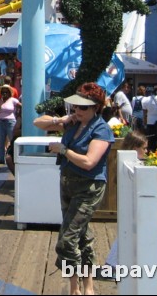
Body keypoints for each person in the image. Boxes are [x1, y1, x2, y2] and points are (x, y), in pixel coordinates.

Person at [33, 82, 115, 296]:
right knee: (82, 237)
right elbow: (37, 122)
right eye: (76, 107)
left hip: (88, 186)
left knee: (67, 239)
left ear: (96, 107)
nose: (78, 111)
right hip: (68, 183)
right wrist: (60, 119)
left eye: (83, 107)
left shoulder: (101, 129)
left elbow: (89, 162)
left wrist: (63, 150)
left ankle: (77, 287)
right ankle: (80, 288)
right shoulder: (73, 123)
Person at [0, 84, 20, 165]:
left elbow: (21, 106)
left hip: (10, 122)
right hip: (1, 122)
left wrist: (19, 115)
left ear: (9, 93)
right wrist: (0, 103)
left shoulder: (13, 100)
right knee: (1, 141)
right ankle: (0, 159)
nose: (4, 94)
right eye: (3, 92)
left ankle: (14, 157)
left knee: (13, 140)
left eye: (6, 92)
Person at [142, 85, 157, 152]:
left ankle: (150, 153)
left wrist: (144, 123)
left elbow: (144, 113)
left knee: (151, 141)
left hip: (150, 122)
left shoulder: (146, 99)